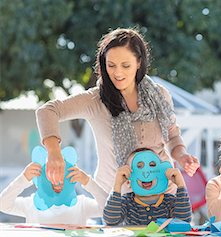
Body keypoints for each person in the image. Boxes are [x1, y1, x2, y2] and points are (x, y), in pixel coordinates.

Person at [36, 27, 199, 195]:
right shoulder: (95, 100)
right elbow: (47, 111)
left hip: (164, 196)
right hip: (117, 201)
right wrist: (54, 152)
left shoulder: (159, 95)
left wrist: (182, 156)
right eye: (111, 65)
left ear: (139, 63)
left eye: (126, 65)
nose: (118, 73)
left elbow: (172, 136)